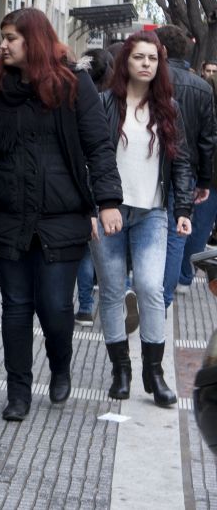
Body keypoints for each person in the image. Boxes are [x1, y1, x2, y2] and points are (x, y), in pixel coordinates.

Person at [0, 8, 123, 422]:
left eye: (11, 38)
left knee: (56, 306)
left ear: (34, 41)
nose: (2, 45)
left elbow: (98, 147)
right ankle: (18, 392)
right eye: (3, 37)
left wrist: (108, 201)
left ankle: (60, 367)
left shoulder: (73, 86)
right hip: (8, 215)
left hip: (62, 216)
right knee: (15, 306)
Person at [90, 30, 193, 408]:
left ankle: (155, 373)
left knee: (151, 288)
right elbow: (92, 160)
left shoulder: (169, 108)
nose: (146, 64)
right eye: (139, 58)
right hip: (109, 212)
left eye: (153, 59)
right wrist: (96, 207)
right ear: (125, 62)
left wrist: (183, 210)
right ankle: (121, 369)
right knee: (113, 291)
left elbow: (181, 162)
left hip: (152, 213)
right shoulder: (104, 104)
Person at [157, 25, 217, 302]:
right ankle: (168, 292)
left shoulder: (153, 79)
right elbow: (208, 140)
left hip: (152, 167)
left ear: (162, 50)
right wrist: (204, 180)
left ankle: (142, 285)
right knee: (175, 234)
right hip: (186, 171)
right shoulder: (202, 88)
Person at [74, 47, 118, 327]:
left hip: (81, 181)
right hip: (108, 184)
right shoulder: (114, 103)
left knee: (84, 249)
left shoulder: (78, 98)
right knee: (107, 244)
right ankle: (116, 292)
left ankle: (85, 306)